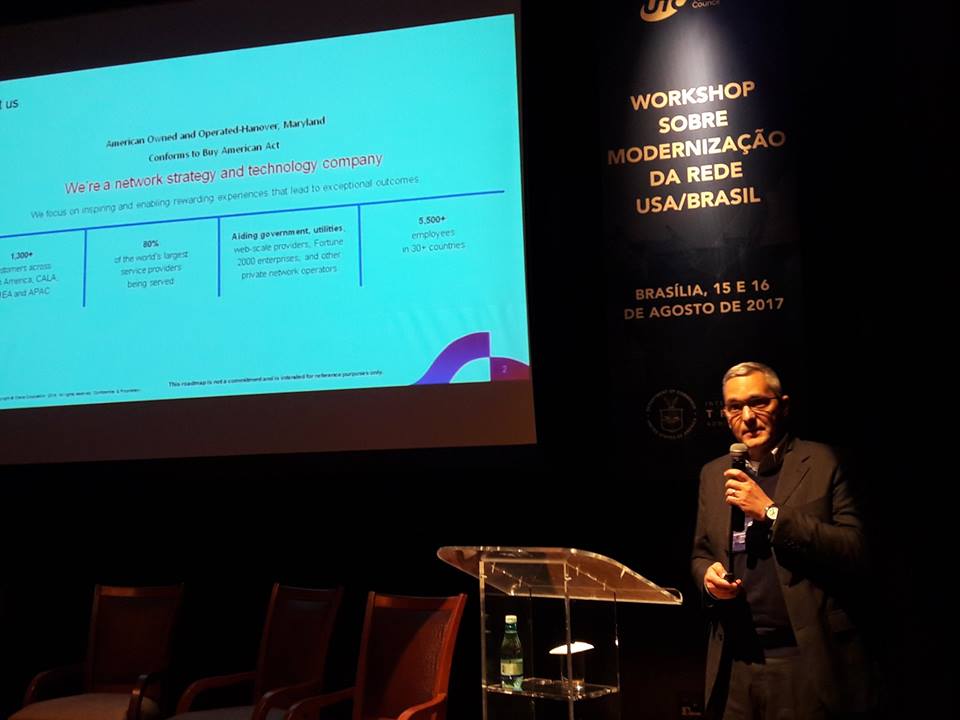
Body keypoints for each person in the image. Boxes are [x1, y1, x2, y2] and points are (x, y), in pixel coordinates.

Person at [691, 361, 877, 719]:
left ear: (784, 405)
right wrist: (708, 580)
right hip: (735, 662)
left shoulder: (824, 462)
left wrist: (771, 512)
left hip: (805, 660)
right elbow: (701, 553)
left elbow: (856, 550)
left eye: (758, 402)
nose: (747, 417)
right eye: (734, 407)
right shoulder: (713, 474)